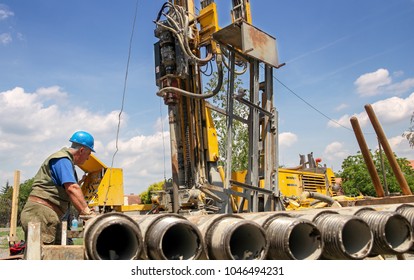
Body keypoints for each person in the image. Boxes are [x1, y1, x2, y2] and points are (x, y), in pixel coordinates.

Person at [20, 131, 97, 245]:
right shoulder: (63, 160)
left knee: (57, 252)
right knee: (41, 256)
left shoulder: (64, 160)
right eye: (88, 154)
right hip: (41, 214)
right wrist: (88, 213)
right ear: (81, 150)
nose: (88, 158)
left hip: (47, 214)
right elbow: (72, 188)